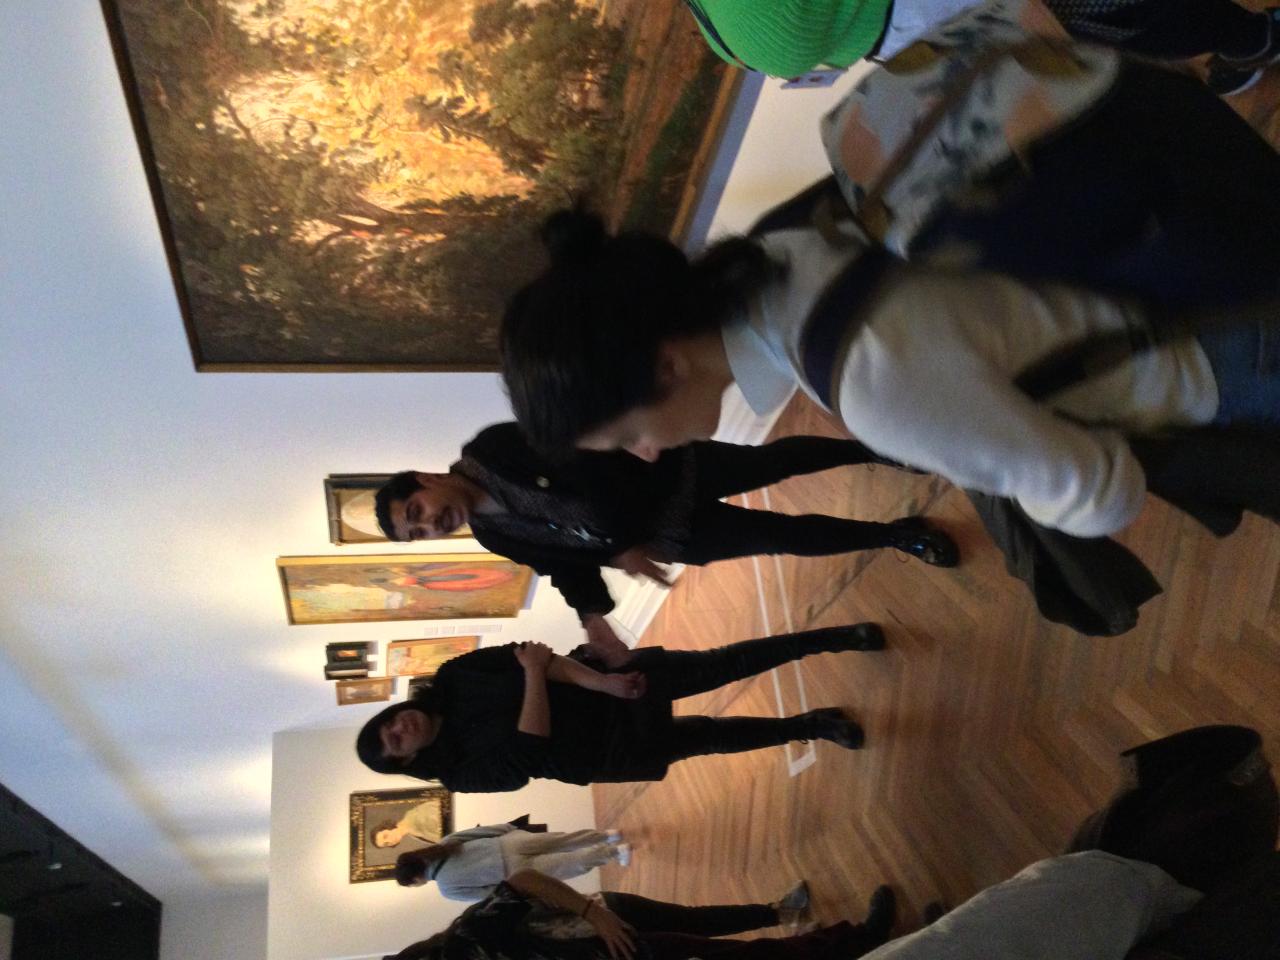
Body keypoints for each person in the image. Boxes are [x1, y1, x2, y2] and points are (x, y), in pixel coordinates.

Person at [498, 45, 1280, 558]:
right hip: (1187, 258)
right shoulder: (778, 248)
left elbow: (1101, 492)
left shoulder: (871, 386)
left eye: (628, 435)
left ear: (667, 365)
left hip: (1211, 355)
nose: (646, 454)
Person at [374, 424, 956, 663]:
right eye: (418, 534)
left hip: (670, 475)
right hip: (672, 536)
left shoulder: (493, 449)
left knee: (775, 462)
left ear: (425, 479)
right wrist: (592, 616)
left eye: (417, 513)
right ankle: (895, 535)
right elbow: (561, 563)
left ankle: (875, 447)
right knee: (785, 537)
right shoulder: (490, 534)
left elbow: (588, 465)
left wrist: (622, 543)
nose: (431, 525)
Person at [355, 626, 883, 793]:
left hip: (599, 686)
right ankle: (814, 726)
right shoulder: (458, 775)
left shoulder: (452, 676)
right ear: (407, 761)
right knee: (710, 737)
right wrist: (534, 675)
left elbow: (538, 655)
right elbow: (529, 749)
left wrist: (604, 682)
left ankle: (835, 639)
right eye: (394, 742)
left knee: (721, 664)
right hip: (600, 750)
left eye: (388, 722)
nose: (399, 727)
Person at [684, 0, 1280, 95]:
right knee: (1110, 18)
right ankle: (1247, 40)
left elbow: (784, 50)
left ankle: (1249, 39)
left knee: (1112, 16)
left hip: (921, 23)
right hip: (919, 24)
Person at [384, 866, 896, 960]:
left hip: (622, 939)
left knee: (715, 936)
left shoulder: (467, 939)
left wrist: (597, 914)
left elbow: (522, 880)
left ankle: (856, 936)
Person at [394, 821, 630, 901]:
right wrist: (509, 829)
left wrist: (524, 890)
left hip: (514, 872)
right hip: (509, 843)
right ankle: (607, 836)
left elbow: (490, 894)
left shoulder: (448, 889)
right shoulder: (443, 844)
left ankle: (616, 852)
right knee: (564, 840)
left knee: (571, 863)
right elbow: (480, 832)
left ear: (415, 879)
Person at [372, 797, 448, 849]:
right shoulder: (411, 834)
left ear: (388, 826)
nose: (390, 841)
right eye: (386, 844)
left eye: (385, 836)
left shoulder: (415, 817)